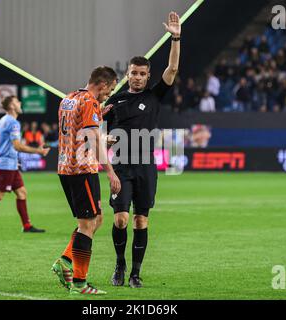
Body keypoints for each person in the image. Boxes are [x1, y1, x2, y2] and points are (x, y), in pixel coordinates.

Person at [103, 11, 181, 288]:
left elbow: (171, 70)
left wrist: (175, 37)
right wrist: (105, 139)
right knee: (122, 220)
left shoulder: (154, 95)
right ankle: (119, 265)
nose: (137, 77)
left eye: (142, 74)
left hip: (146, 166)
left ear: (148, 77)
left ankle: (136, 273)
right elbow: (96, 127)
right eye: (133, 73)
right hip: (121, 167)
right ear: (128, 74)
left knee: (140, 221)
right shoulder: (115, 100)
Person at [52, 66, 121, 295]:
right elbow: (91, 139)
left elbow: (76, 129)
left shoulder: (69, 99)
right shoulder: (90, 102)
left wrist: (99, 114)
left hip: (66, 167)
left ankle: (65, 260)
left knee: (96, 218)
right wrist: (110, 171)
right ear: (102, 85)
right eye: (109, 90)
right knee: (87, 225)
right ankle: (80, 283)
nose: (107, 95)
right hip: (82, 170)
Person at [0, 96, 50, 234]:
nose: (20, 103)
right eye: (17, 102)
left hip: (10, 163)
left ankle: (27, 226)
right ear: (12, 106)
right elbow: (17, 146)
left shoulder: (3, 120)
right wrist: (38, 151)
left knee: (22, 192)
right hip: (6, 164)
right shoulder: (13, 123)